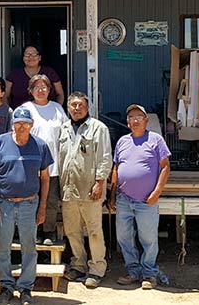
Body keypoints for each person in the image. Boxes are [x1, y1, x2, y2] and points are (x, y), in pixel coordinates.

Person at [0, 107, 52, 305]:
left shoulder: (40, 145)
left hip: (29, 204)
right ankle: (6, 286)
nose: (21, 127)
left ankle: (25, 288)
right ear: (12, 124)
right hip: (4, 204)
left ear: (31, 125)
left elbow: (46, 179)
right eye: (18, 123)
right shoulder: (0, 143)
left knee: (29, 247)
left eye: (25, 123)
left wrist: (42, 207)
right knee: (2, 247)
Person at [109, 104, 171, 290]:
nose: (135, 120)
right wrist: (112, 195)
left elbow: (165, 166)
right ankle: (133, 271)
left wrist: (157, 192)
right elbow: (116, 169)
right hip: (124, 199)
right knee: (124, 238)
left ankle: (149, 274)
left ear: (146, 120)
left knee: (149, 239)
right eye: (131, 117)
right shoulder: (122, 141)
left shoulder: (155, 140)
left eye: (139, 117)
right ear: (127, 122)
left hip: (146, 200)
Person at [57, 92, 112, 288]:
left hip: (90, 189)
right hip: (68, 189)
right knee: (72, 230)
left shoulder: (98, 129)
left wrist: (100, 182)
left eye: (81, 105)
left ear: (87, 108)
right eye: (73, 105)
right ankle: (78, 265)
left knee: (94, 230)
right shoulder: (63, 129)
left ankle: (97, 269)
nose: (77, 108)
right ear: (68, 108)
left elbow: (105, 157)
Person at [20, 74, 68, 245]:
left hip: (53, 164)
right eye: (36, 87)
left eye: (44, 87)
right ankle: (34, 231)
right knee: (32, 198)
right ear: (31, 90)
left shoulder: (57, 109)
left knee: (51, 199)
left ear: (50, 90)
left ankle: (49, 231)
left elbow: (66, 134)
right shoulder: (25, 109)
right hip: (30, 165)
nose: (40, 90)